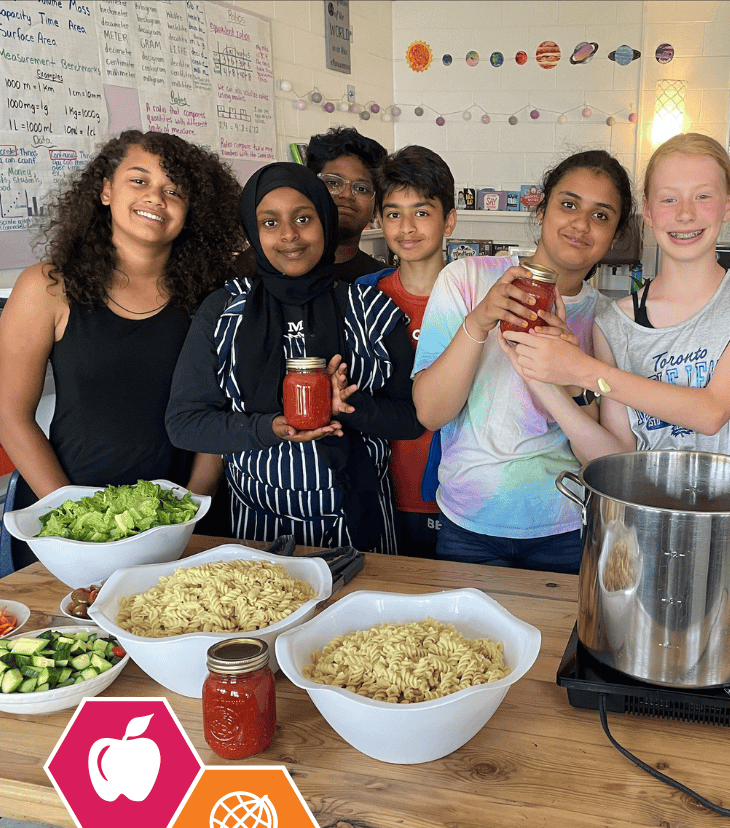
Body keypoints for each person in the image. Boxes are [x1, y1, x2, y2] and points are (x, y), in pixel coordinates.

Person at [0, 129, 242, 567]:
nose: (156, 198)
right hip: (66, 516)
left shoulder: (215, 296)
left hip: (183, 515)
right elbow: (10, 415)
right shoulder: (47, 287)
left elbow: (220, 415)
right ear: (106, 190)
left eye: (174, 190)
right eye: (139, 180)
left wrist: (189, 510)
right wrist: (72, 515)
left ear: (191, 210)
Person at [166, 162, 423, 552]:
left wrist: (350, 406)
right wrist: (271, 428)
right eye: (270, 223)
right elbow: (185, 423)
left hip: (360, 527)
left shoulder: (371, 309)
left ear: (325, 220)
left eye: (303, 218)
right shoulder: (223, 312)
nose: (289, 235)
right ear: (252, 232)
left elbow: (412, 420)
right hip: (257, 531)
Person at [411, 150, 634, 573]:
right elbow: (431, 413)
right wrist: (479, 320)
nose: (581, 224)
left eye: (601, 215)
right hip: (468, 522)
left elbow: (606, 464)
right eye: (568, 204)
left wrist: (573, 380)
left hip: (566, 524)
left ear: (615, 233)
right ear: (542, 207)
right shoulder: (468, 279)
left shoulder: (608, 320)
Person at [504, 133, 730, 463]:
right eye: (669, 199)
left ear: (728, 205)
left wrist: (582, 369)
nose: (685, 214)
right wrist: (543, 378)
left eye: (702, 196)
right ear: (649, 212)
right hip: (638, 514)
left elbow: (711, 412)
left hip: (719, 512)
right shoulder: (614, 322)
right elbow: (613, 458)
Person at [357, 145, 457, 559]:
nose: (407, 227)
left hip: (458, 496)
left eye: (422, 211)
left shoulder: (479, 298)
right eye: (394, 213)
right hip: (383, 490)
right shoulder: (363, 298)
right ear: (379, 220)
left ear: (449, 219)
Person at [305, 126, 388, 280]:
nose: (347, 194)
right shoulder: (278, 275)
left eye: (362, 188)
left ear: (375, 208)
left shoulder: (382, 282)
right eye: (333, 182)